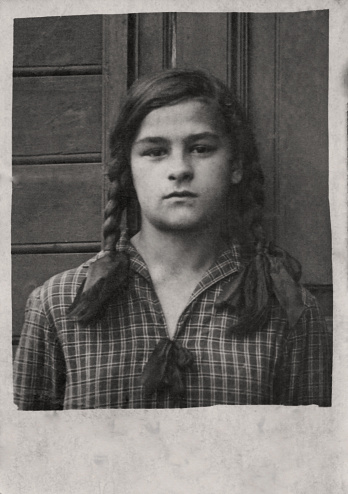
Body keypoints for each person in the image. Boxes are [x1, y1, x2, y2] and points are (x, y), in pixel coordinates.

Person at [13, 69, 332, 410]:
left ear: (236, 165)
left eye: (200, 148)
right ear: (128, 170)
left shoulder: (287, 309)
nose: (179, 168)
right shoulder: (58, 304)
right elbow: (28, 455)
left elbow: (310, 455)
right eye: (155, 152)